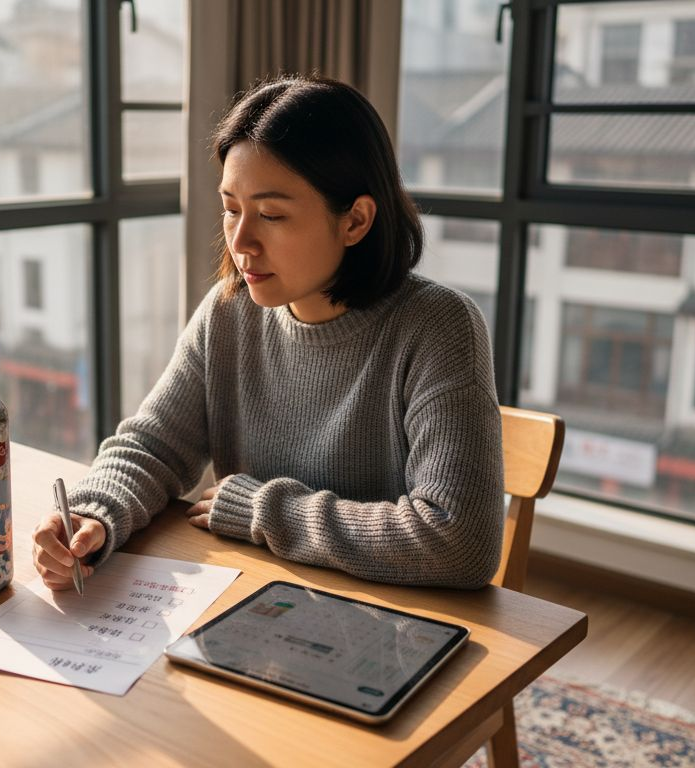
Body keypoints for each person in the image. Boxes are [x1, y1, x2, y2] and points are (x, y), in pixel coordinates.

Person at [32, 74, 504, 589]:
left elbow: (459, 541)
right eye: (231, 208)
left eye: (271, 214)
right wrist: (93, 514)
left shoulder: (438, 327)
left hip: (391, 619)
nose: (240, 242)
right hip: (254, 597)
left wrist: (266, 510)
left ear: (356, 221)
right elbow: (153, 448)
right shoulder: (229, 311)